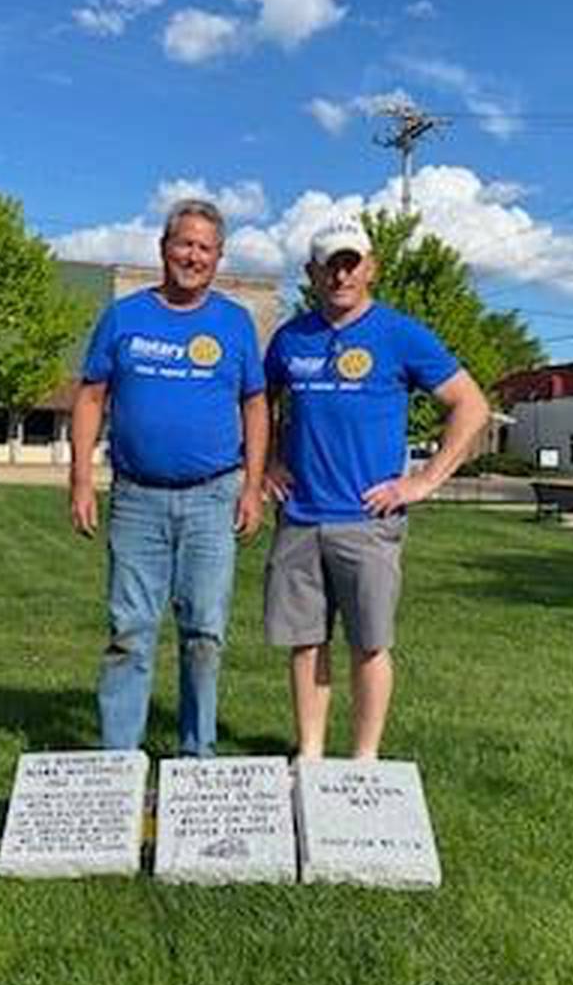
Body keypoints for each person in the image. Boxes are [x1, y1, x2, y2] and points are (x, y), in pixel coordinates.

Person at [263, 217, 490, 761]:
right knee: (305, 640)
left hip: (368, 520)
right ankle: (310, 754)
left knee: (369, 644)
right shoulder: (291, 339)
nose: (341, 275)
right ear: (310, 272)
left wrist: (424, 480)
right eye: (329, 265)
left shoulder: (401, 334)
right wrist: (269, 460)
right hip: (300, 516)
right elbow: (258, 403)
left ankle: (365, 761)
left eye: (351, 263)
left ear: (371, 268)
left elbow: (471, 404)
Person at [69, 199, 269, 758]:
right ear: (163, 248)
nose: (193, 256)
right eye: (184, 243)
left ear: (219, 256)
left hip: (213, 497)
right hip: (136, 498)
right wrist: (81, 478)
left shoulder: (233, 322)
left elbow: (256, 405)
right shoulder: (125, 317)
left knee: (205, 632)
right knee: (129, 630)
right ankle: (118, 762)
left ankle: (195, 757)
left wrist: (252, 487)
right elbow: (89, 398)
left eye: (205, 248)